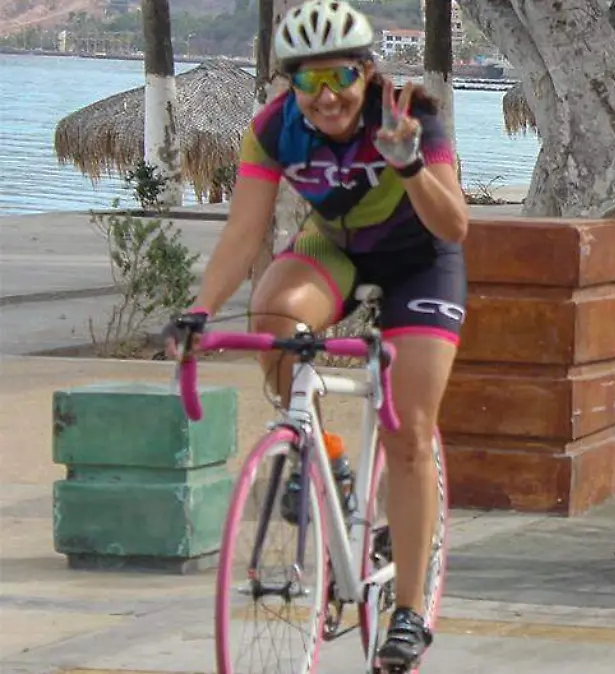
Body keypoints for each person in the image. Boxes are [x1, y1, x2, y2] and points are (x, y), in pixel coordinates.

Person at [162, 0, 469, 669]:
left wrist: (410, 164)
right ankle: (322, 453)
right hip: (336, 248)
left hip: (421, 261)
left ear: (367, 72)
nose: (325, 97)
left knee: (410, 429)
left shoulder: (411, 112)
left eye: (339, 78)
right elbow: (245, 232)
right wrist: (199, 310)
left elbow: (453, 227)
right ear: (287, 85)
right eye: (307, 81)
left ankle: (410, 611)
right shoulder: (273, 129)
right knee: (273, 314)